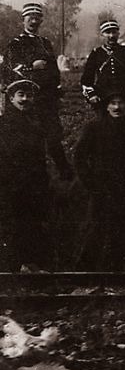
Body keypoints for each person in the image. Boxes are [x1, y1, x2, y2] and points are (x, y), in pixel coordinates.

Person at [73, 92, 125, 270]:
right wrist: (90, 183)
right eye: (113, 103)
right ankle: (85, 272)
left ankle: (116, 271)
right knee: (95, 229)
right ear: (106, 106)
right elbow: (79, 157)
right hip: (100, 188)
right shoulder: (93, 127)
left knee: (122, 230)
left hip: (124, 189)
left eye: (121, 103)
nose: (117, 107)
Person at [3, 1, 73, 178]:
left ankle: (65, 175)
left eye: (37, 18)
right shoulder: (16, 43)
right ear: (23, 20)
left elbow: (53, 70)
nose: (33, 21)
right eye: (30, 18)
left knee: (53, 138)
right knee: (29, 140)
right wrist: (30, 66)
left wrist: (57, 86)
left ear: (41, 21)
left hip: (47, 99)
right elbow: (9, 68)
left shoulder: (45, 43)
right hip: (27, 100)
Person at [0, 79, 57, 271]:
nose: (25, 99)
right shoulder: (4, 123)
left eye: (28, 95)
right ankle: (13, 266)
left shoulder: (35, 121)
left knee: (33, 223)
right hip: (11, 183)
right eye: (20, 95)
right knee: (13, 224)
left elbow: (40, 154)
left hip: (34, 183)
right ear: (11, 98)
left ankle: (30, 263)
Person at [80, 19, 125, 134]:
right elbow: (86, 80)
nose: (111, 36)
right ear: (101, 35)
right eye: (107, 32)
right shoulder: (96, 54)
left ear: (118, 34)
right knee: (104, 131)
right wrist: (92, 96)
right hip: (104, 99)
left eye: (114, 32)